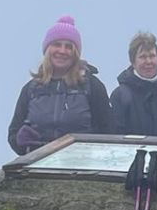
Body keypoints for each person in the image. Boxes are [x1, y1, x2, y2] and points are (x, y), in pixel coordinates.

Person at [8, 16, 113, 153]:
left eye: (68, 47)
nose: (62, 51)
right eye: (57, 44)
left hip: (81, 166)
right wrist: (20, 140)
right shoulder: (31, 89)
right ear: (47, 49)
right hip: (38, 166)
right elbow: (13, 134)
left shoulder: (92, 86)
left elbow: (109, 130)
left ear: (75, 53)